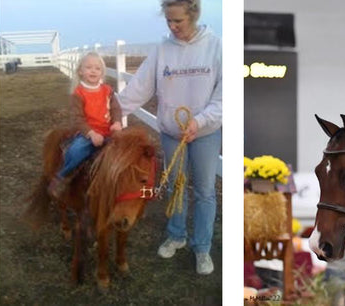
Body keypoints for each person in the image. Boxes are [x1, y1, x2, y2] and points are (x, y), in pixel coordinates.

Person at [119, 0, 221, 275]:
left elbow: (224, 97)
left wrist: (199, 121)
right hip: (172, 133)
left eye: (179, 21)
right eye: (169, 22)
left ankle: (202, 247)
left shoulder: (216, 47)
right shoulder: (162, 50)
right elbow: (140, 86)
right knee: (175, 186)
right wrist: (115, 113)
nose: (173, 27)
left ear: (194, 15)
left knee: (204, 191)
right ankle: (177, 235)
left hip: (205, 134)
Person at [46, 52, 122, 197]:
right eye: (88, 67)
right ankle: (62, 177)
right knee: (76, 151)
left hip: (108, 131)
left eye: (97, 68)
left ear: (102, 72)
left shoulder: (108, 90)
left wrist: (117, 122)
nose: (93, 71)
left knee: (126, 151)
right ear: (80, 71)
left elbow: (116, 108)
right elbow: (77, 119)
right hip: (88, 133)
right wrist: (91, 133)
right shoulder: (78, 93)